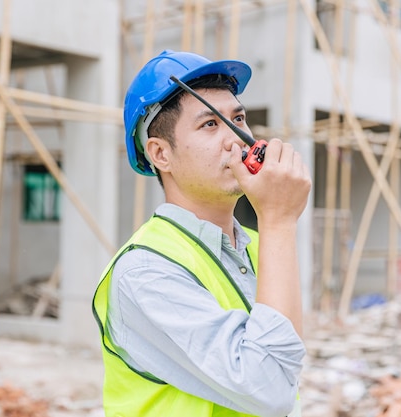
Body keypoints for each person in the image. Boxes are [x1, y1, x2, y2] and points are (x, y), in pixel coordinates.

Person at [92, 49, 312, 417]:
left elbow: (288, 371)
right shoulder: (146, 271)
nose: (236, 139)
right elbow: (269, 388)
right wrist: (277, 219)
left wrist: (275, 225)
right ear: (161, 154)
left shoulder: (258, 247)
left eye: (238, 118)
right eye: (210, 124)